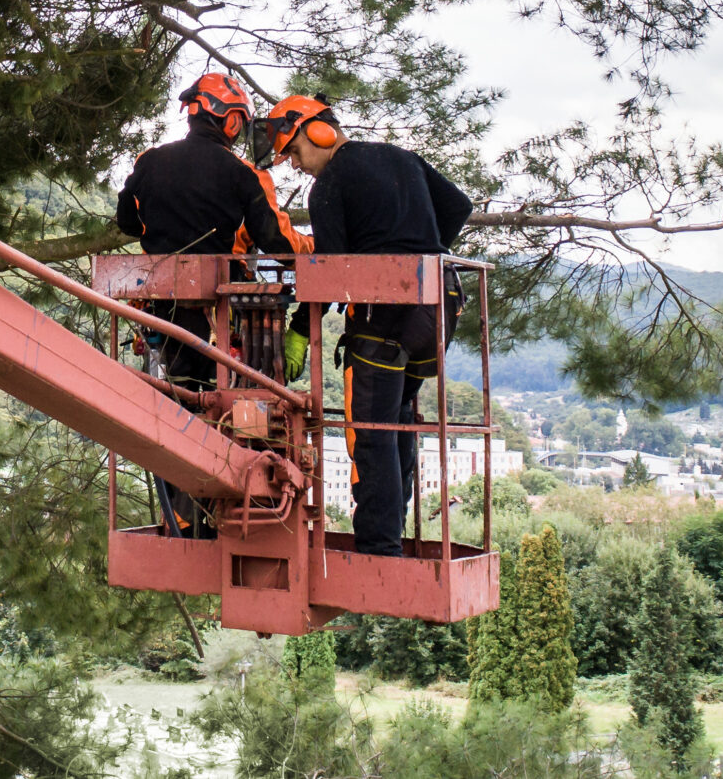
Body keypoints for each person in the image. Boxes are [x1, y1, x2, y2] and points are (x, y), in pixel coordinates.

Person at [256, 94, 473, 557]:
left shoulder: (330, 184)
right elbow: (458, 205)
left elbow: (330, 271)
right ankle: (391, 535)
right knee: (397, 425)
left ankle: (379, 548)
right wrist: (422, 255)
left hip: (384, 318)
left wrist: (299, 328)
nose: (295, 165)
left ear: (317, 131)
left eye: (293, 152)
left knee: (371, 436)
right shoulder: (400, 157)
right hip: (437, 310)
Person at [116, 72, 309, 535]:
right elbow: (274, 238)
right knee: (229, 407)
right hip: (218, 313)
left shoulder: (150, 160)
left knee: (177, 401)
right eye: (239, 123)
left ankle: (184, 513)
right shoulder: (243, 173)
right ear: (228, 121)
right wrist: (314, 250)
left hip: (161, 307)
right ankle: (217, 501)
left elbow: (126, 220)